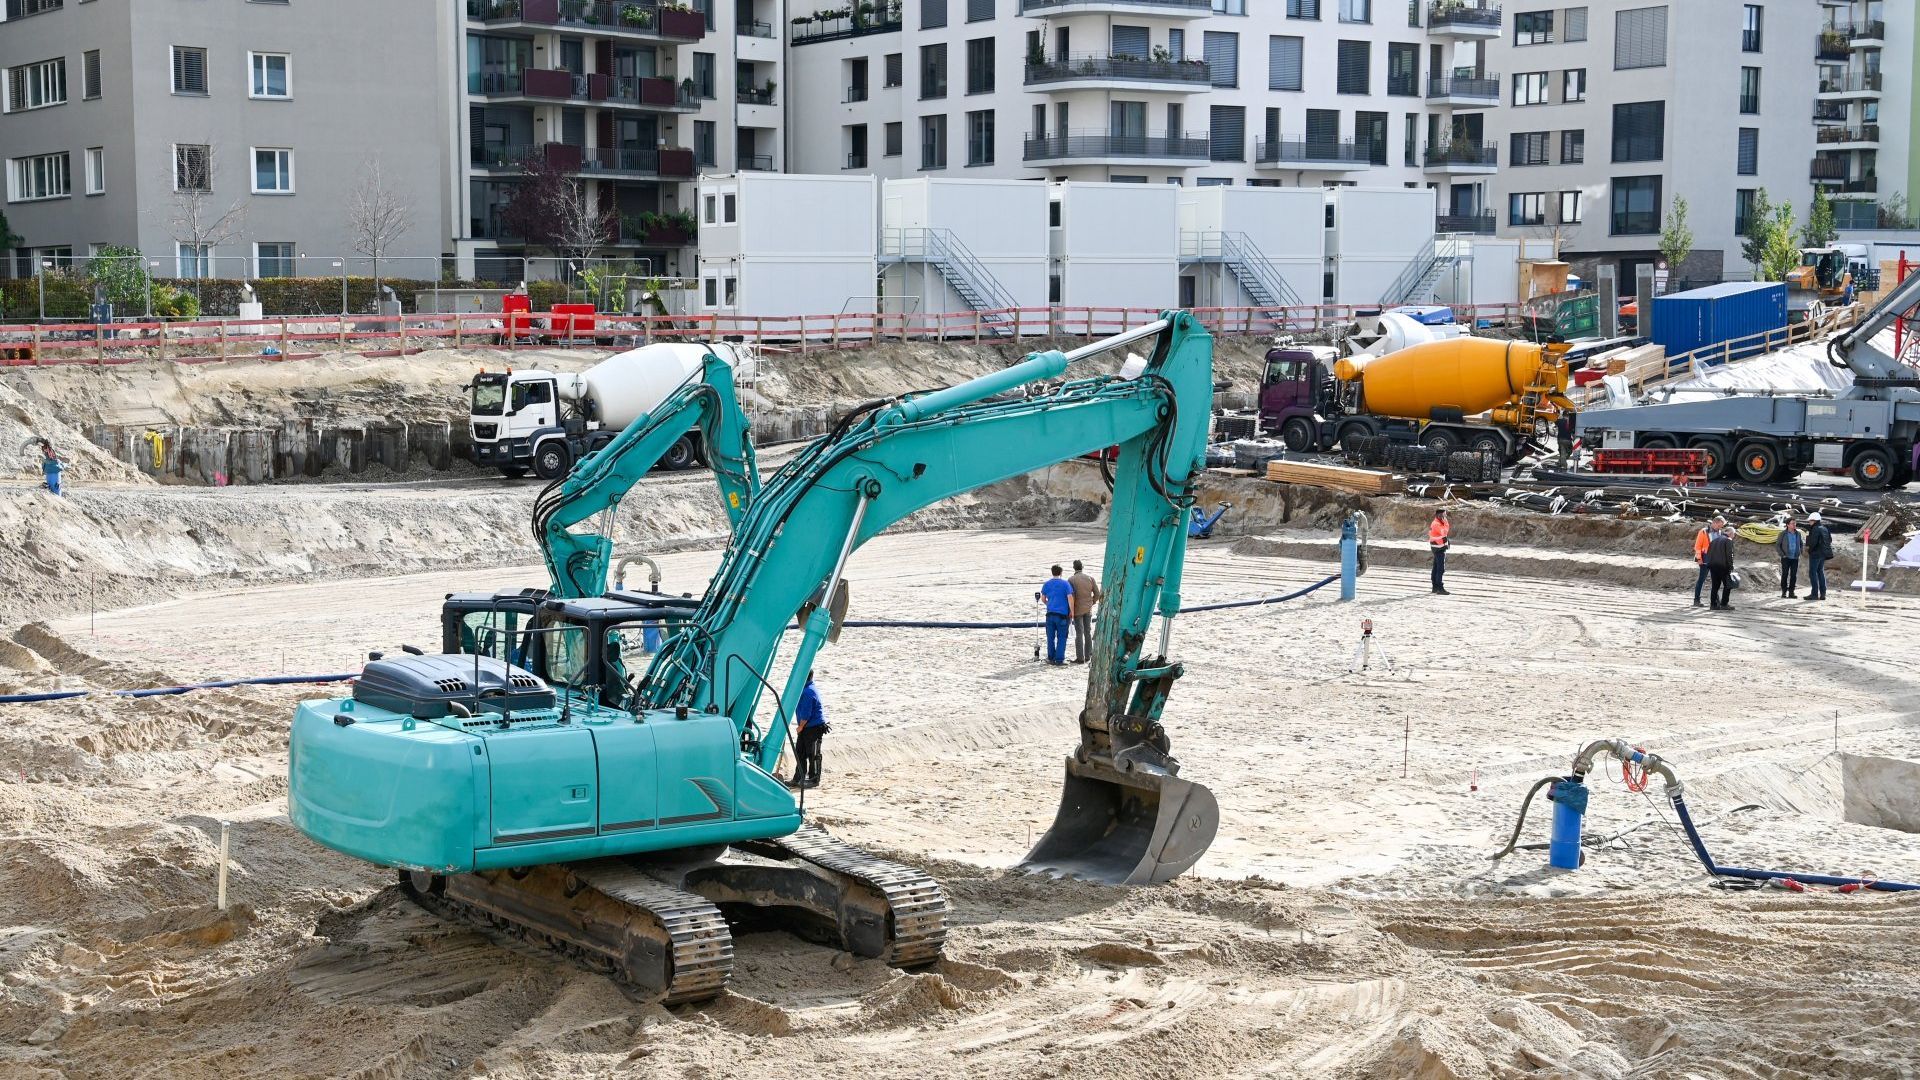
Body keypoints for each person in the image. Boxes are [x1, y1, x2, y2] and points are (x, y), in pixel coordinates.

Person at [790, 671, 828, 789]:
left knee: (813, 754)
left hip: (814, 727)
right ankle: (798, 777)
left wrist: (800, 727)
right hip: (806, 726)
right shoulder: (804, 689)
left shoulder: (808, 691)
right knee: (800, 752)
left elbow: (807, 713)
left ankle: (814, 779)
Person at [1036, 565, 1073, 666]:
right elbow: (1070, 599)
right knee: (1062, 637)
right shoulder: (1066, 584)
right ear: (1061, 573)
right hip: (1062, 614)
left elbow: (1043, 599)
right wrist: (1072, 612)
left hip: (1050, 614)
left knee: (1050, 637)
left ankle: (1051, 658)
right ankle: (1059, 659)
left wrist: (1050, 604)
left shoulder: (1047, 584)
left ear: (1052, 572)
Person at [1067, 559, 1102, 665]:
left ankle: (1080, 658)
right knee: (1088, 632)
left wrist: (1070, 610)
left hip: (1077, 610)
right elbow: (1097, 593)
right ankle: (1088, 655)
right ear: (1083, 567)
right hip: (1088, 609)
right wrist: (1092, 602)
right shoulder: (1090, 578)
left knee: (1079, 633)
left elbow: (1070, 596)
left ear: (1074, 568)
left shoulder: (1071, 579)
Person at [1706, 519, 1736, 610]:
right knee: (1728, 585)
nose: (1734, 536)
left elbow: (1709, 553)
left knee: (1715, 586)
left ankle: (1713, 605)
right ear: (1730, 533)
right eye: (1734, 535)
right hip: (1723, 567)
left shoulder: (1714, 540)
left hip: (1713, 566)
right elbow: (1729, 555)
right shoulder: (1728, 540)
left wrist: (1709, 564)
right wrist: (1731, 567)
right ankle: (1724, 604)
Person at [1692, 518, 1721, 608]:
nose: (1720, 527)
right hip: (1704, 558)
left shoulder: (1719, 532)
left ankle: (1716, 600)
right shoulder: (1703, 532)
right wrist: (1699, 559)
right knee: (1702, 579)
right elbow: (1697, 546)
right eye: (1719, 525)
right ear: (1714, 523)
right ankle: (1696, 600)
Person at [1805, 512, 1833, 601]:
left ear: (1814, 520)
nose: (1809, 522)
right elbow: (1830, 540)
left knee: (1813, 573)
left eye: (1810, 521)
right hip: (1823, 554)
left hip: (1815, 554)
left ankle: (1814, 594)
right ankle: (1823, 593)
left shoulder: (1815, 529)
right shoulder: (1825, 528)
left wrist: (1809, 550)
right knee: (1820, 572)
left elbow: (1813, 543)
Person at [1776, 516, 1803, 599]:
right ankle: (1784, 592)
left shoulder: (1798, 533)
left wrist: (1800, 551)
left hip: (1795, 558)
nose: (1794, 525)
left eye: (1795, 523)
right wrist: (1782, 554)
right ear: (1787, 525)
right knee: (1785, 574)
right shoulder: (1783, 534)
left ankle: (1791, 592)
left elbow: (1801, 544)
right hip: (1786, 557)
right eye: (1792, 523)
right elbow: (1778, 545)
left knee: (1793, 575)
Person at [1428, 509, 1451, 595]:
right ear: (1439, 515)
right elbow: (1444, 532)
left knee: (1436, 567)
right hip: (1438, 548)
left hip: (1438, 547)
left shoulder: (1438, 522)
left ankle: (1435, 587)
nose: (1445, 517)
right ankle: (1439, 588)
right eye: (1444, 516)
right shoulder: (1436, 524)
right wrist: (1446, 523)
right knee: (1440, 569)